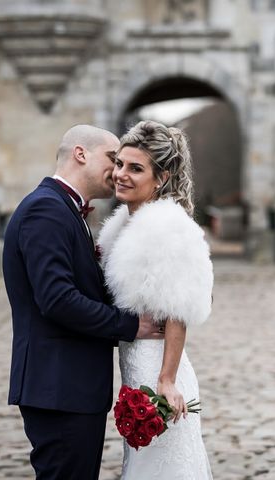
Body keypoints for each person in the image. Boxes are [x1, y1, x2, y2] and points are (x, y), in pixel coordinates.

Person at [2, 124, 162, 480]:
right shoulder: (46, 209)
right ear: (80, 153)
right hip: (58, 387)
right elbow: (58, 300)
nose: (119, 169)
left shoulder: (65, 209)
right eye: (112, 158)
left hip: (68, 387)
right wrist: (133, 326)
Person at [97, 120, 214, 479]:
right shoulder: (125, 224)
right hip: (134, 364)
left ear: (160, 178)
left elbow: (175, 310)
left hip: (158, 369)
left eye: (135, 168)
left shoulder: (168, 227)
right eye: (119, 164)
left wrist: (166, 380)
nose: (121, 174)